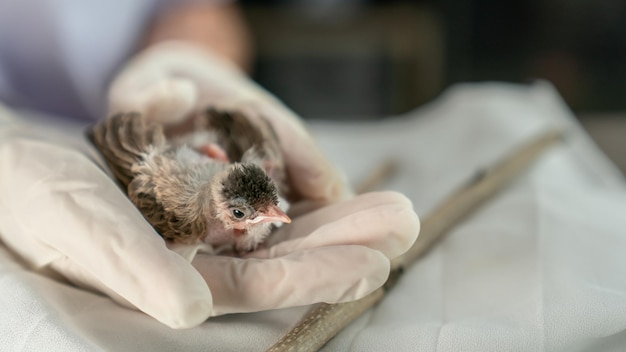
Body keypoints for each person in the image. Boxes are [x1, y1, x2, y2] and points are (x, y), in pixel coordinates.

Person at [0, 0, 419, 328]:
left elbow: (199, 10)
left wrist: (182, 60)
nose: (272, 216)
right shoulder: (184, 216)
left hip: (146, 114)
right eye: (243, 213)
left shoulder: (228, 182)